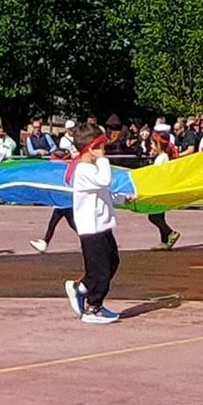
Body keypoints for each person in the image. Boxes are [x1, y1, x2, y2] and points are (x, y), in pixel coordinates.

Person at [63, 123, 129, 324]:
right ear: (92, 148)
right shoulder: (83, 170)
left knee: (112, 262)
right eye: (101, 146)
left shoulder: (91, 169)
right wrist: (102, 160)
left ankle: (80, 288)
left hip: (102, 225)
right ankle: (93, 308)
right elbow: (104, 181)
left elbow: (104, 191)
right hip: (91, 228)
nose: (104, 150)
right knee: (100, 271)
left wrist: (122, 199)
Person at [145, 128, 181, 250]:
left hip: (159, 191)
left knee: (153, 216)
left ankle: (170, 233)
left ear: (159, 145)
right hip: (160, 190)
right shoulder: (163, 157)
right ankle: (164, 241)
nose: (151, 146)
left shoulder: (162, 158)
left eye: (152, 144)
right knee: (159, 216)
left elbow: (157, 174)